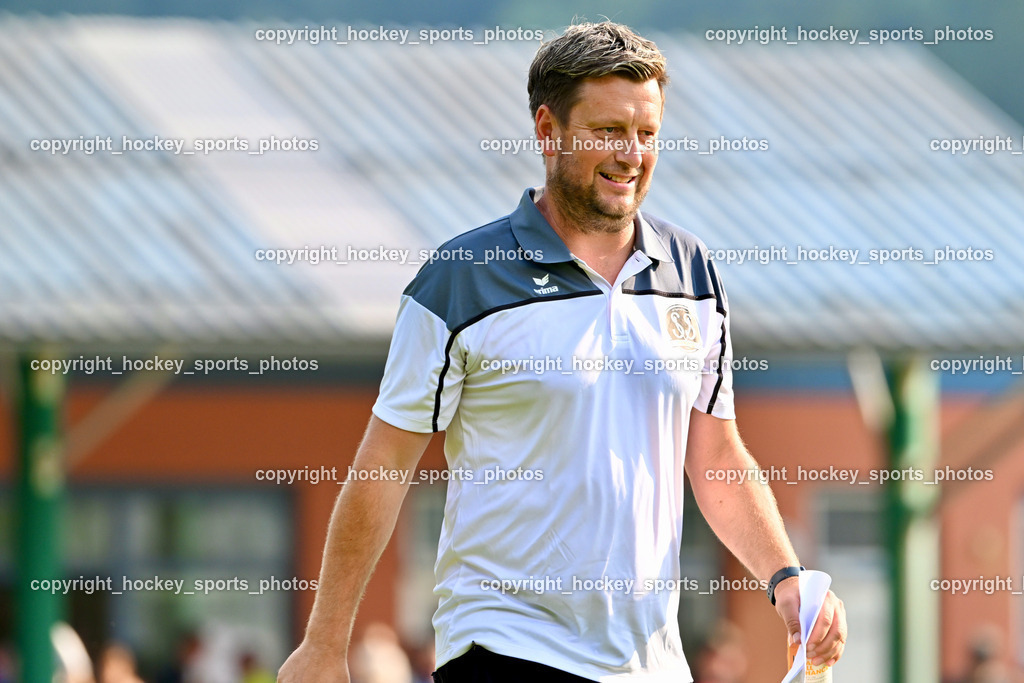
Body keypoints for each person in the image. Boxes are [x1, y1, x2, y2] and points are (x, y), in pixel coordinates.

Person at [279, 20, 847, 683]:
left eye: (647, 134)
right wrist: (324, 643)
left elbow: (716, 456)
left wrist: (785, 577)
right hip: (506, 645)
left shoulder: (691, 273)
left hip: (652, 664)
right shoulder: (462, 279)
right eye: (608, 131)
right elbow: (384, 463)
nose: (631, 154)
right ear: (548, 131)